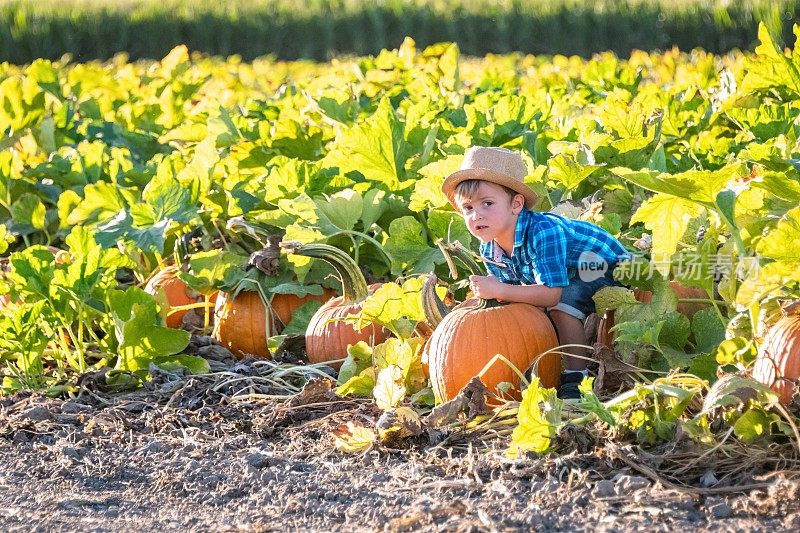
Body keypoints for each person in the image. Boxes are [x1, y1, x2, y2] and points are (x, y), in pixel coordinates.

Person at [441, 146, 630, 399]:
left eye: (487, 203)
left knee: (561, 307)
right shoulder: (489, 248)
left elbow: (551, 294)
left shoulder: (543, 232)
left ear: (516, 204)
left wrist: (500, 289)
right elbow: (512, 297)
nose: (477, 215)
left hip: (605, 265)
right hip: (564, 272)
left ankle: (578, 377)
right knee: (533, 307)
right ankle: (557, 360)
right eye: (468, 208)